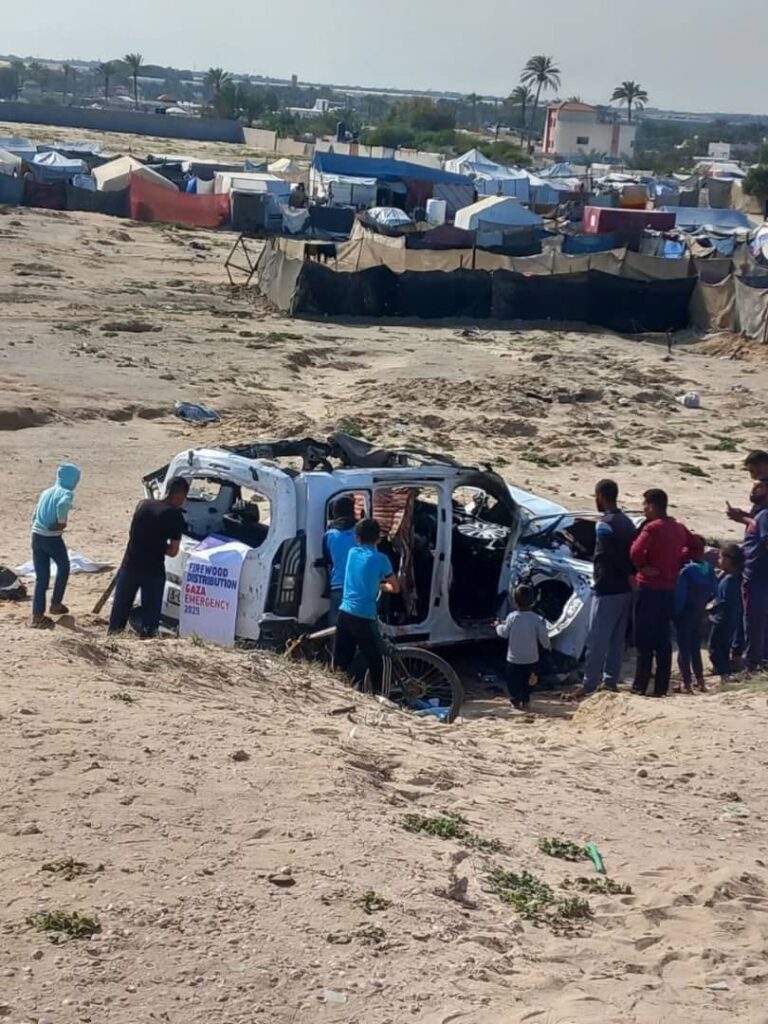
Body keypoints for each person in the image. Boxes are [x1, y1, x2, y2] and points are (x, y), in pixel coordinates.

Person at [108, 477, 189, 639]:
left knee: (119, 613)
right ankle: (146, 641)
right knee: (150, 620)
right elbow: (173, 551)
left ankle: (112, 641)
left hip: (130, 565)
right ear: (180, 495)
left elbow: (133, 535)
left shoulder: (143, 505)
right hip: (153, 571)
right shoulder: (175, 516)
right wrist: (159, 546)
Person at [630, 488, 692, 697]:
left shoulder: (653, 527)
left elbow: (635, 551)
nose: (644, 509)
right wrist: (678, 559)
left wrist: (643, 566)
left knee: (644, 639)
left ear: (652, 505)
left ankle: (640, 685)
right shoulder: (679, 528)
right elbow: (696, 548)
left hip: (649, 587)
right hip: (668, 589)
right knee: (663, 638)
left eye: (645, 505)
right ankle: (661, 688)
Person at [581, 479, 636, 695]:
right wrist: (631, 574)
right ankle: (610, 681)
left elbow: (609, 554)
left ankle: (589, 684)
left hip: (607, 586)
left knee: (597, 639)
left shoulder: (604, 524)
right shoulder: (627, 522)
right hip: (625, 588)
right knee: (616, 640)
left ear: (601, 496)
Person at [333, 518, 400, 691]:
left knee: (340, 664)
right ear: (378, 539)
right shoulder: (382, 559)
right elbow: (395, 587)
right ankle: (381, 698)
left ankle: (338, 693)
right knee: (381, 660)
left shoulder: (352, 553)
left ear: (357, 538)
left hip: (344, 613)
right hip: (364, 617)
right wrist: (380, 585)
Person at [30, 462, 81, 628]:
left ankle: (37, 615)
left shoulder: (46, 492)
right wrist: (61, 522)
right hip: (51, 538)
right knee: (64, 567)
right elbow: (63, 505)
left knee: (41, 578)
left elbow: (35, 513)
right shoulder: (66, 493)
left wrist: (36, 526)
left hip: (36, 535)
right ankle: (56, 603)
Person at [674, 535, 717, 693]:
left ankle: (686, 683)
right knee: (695, 647)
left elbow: (680, 595)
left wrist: (675, 612)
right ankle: (700, 681)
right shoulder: (709, 569)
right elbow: (715, 592)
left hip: (684, 612)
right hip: (699, 612)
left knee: (683, 648)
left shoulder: (686, 571)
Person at [495, 585, 550, 710]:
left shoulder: (512, 617)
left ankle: (515, 700)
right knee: (529, 681)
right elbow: (543, 636)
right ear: (533, 601)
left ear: (514, 601)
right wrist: (547, 646)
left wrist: (498, 626)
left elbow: (504, 633)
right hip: (531, 658)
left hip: (514, 659)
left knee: (513, 681)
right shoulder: (536, 619)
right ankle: (526, 700)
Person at [734, 479, 768, 672]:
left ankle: (753, 668)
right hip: (759, 578)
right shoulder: (761, 515)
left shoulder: (765, 515)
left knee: (754, 624)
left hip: (757, 579)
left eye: (759, 486)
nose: (753, 490)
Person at [709, 544, 745, 677]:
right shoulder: (735, 577)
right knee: (723, 646)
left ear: (729, 560)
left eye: (720, 558)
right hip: (731, 619)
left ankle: (723, 671)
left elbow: (724, 602)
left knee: (715, 647)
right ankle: (724, 669)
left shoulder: (729, 580)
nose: (718, 561)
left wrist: (712, 611)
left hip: (723, 619)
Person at [322, 496, 357, 625]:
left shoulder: (329, 535)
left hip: (338, 586)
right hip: (358, 587)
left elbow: (328, 560)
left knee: (335, 628)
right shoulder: (359, 533)